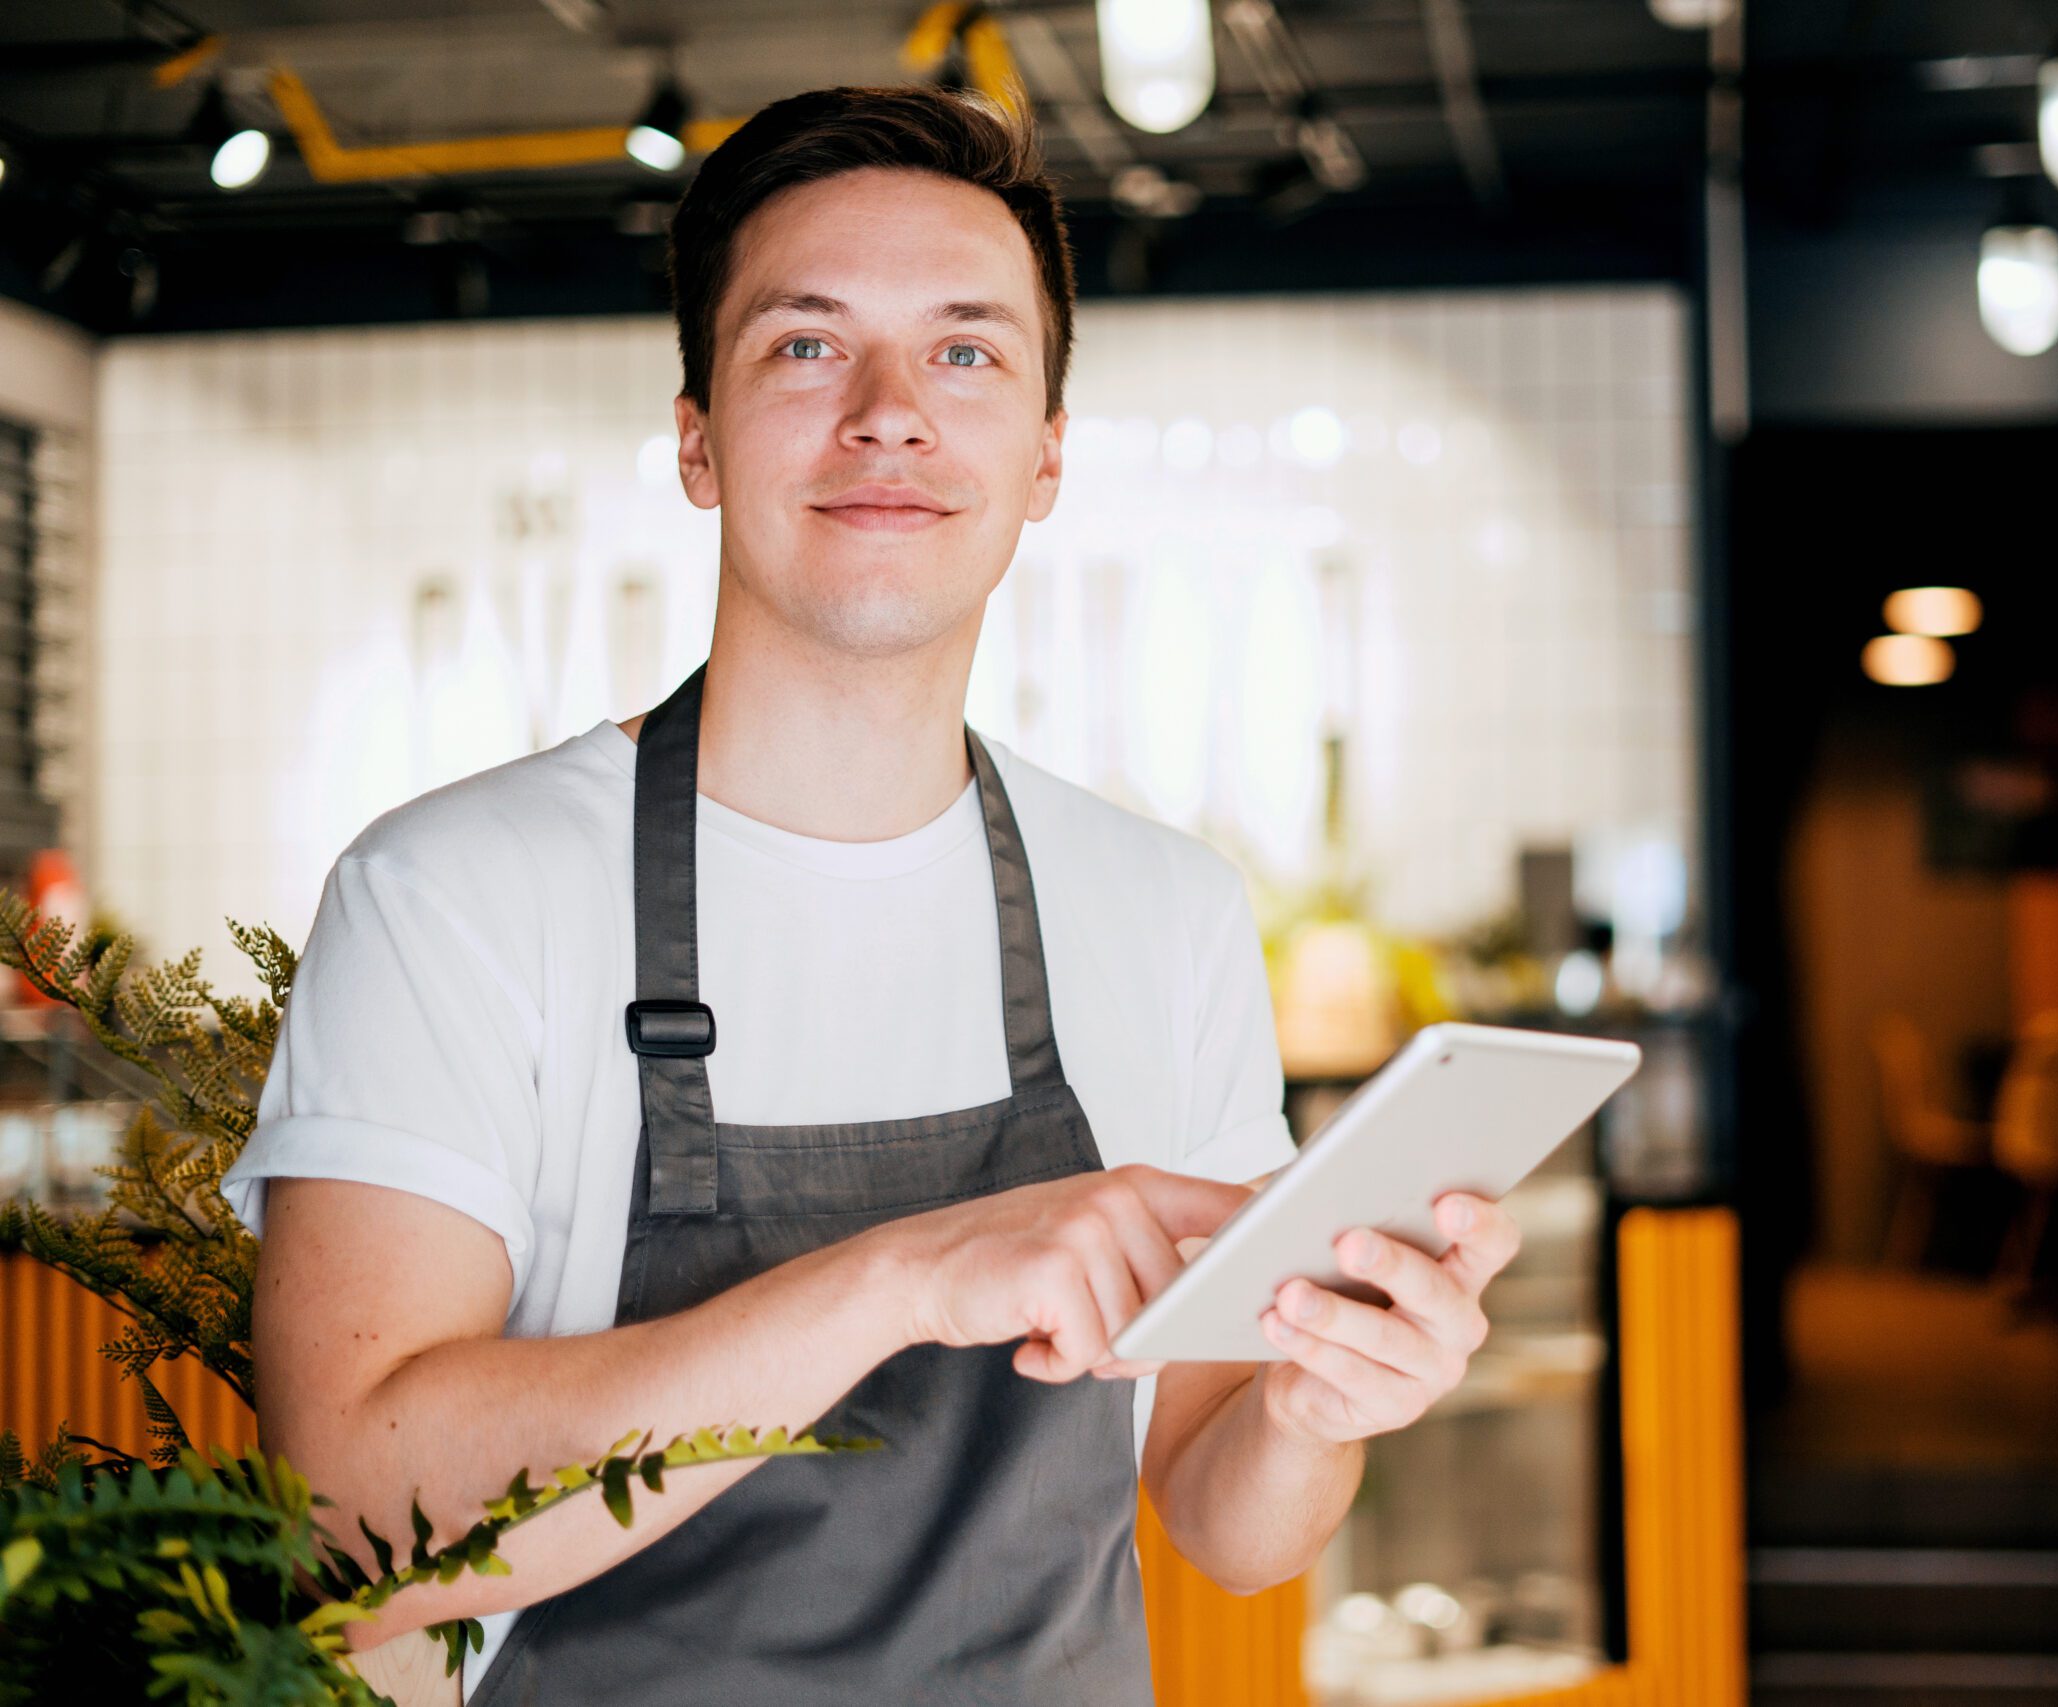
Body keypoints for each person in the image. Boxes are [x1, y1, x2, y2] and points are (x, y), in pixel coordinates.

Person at [221, 87, 1520, 1705]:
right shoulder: (450, 897)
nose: (892, 412)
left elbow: (1221, 1510)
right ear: (698, 437)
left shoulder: (1166, 911)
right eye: (807, 346)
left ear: (1046, 455)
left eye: (967, 350)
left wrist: (1323, 1402)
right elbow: (353, 1522)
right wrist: (918, 1274)